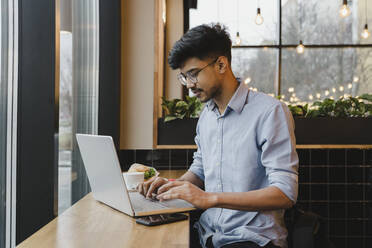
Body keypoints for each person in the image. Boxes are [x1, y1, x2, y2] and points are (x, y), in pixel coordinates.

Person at [137, 23, 299, 248]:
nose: (190, 86)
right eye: (184, 77)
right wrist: (171, 185)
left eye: (193, 74)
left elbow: (285, 193)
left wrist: (209, 198)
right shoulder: (207, 117)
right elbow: (200, 169)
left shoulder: (270, 112)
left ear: (221, 64)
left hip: (252, 238)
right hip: (208, 232)